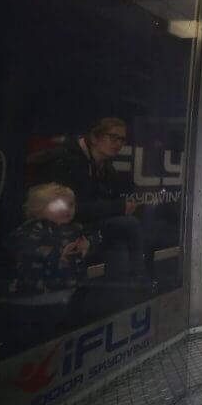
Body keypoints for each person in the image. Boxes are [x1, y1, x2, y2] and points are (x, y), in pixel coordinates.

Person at [32, 117, 150, 285]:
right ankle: (137, 280)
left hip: (88, 226)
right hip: (59, 227)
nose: (118, 144)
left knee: (122, 235)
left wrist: (123, 206)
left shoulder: (107, 169)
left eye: (122, 139)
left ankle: (121, 290)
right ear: (94, 138)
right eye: (113, 137)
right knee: (129, 224)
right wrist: (118, 207)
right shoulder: (65, 161)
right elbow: (64, 210)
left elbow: (108, 203)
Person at [6, 184, 91, 348]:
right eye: (59, 204)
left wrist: (88, 244)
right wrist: (60, 253)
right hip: (32, 300)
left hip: (63, 295)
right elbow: (30, 252)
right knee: (32, 342)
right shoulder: (30, 230)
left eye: (71, 204)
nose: (67, 209)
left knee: (54, 339)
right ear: (37, 209)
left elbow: (93, 238)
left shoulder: (74, 229)